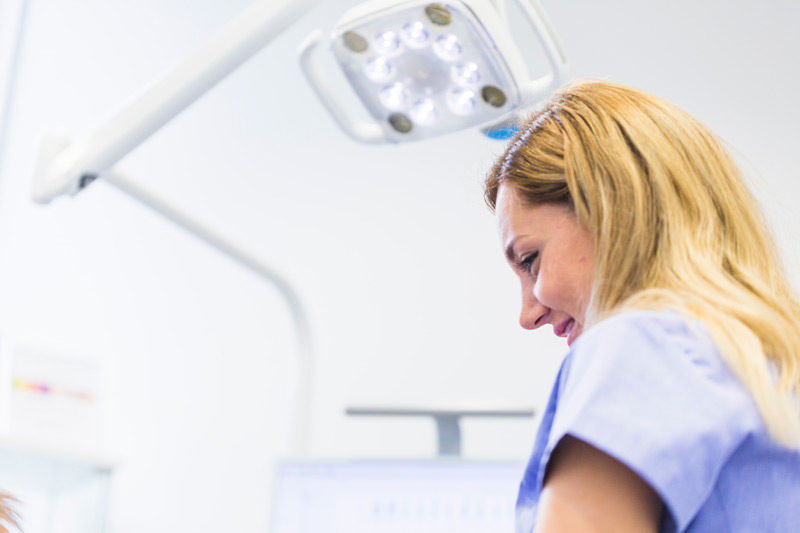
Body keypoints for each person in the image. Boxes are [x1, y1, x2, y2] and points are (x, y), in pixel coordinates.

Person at [484, 80, 800, 532]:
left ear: (609, 209)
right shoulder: (770, 363)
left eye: (531, 260)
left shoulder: (646, 345)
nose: (527, 313)